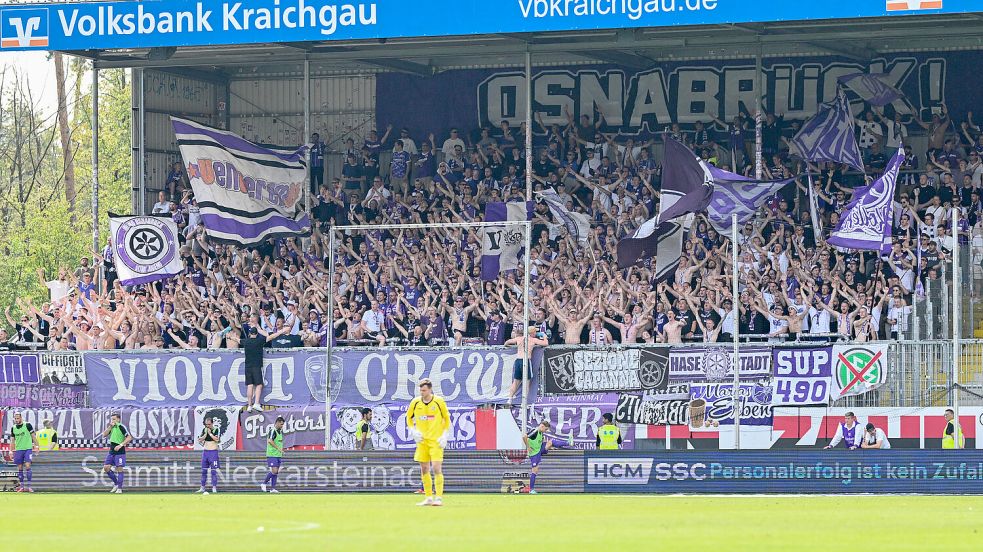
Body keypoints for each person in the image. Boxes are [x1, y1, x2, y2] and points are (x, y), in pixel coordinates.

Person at [407, 378, 450, 506]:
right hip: (422, 441)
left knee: (436, 468)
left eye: (424, 390)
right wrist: (413, 430)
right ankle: (428, 497)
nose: (422, 392)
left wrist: (445, 435)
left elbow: (446, 418)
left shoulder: (438, 401)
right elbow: (409, 418)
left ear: (430, 389)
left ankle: (439, 498)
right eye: (420, 390)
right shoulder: (415, 402)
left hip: (436, 440)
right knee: (424, 469)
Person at [503, 327, 549, 404]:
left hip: (518, 360)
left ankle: (510, 399)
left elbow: (507, 342)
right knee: (527, 382)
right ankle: (524, 402)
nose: (536, 334)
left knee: (516, 382)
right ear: (532, 333)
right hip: (526, 360)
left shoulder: (519, 338)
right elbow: (546, 343)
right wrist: (544, 336)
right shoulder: (533, 340)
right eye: (535, 332)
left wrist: (508, 346)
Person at [521, 420, 567, 495]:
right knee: (534, 471)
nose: (545, 431)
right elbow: (524, 436)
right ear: (542, 426)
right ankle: (531, 490)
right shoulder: (535, 431)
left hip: (539, 450)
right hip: (534, 453)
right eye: (545, 429)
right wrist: (528, 447)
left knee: (551, 442)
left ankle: (568, 442)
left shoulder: (540, 433)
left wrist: (549, 447)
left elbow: (540, 442)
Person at [102, 413, 132, 494]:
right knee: (106, 467)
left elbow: (129, 437)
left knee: (119, 469)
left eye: (114, 419)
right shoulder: (112, 427)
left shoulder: (121, 427)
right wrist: (110, 427)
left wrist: (121, 445)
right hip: (112, 450)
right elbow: (104, 435)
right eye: (112, 419)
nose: (113, 421)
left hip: (120, 451)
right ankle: (116, 483)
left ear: (118, 419)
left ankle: (119, 488)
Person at [8, 413, 38, 492]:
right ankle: (22, 487)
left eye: (18, 418)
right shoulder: (13, 428)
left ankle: (29, 486)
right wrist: (11, 451)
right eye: (15, 419)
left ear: (21, 418)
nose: (17, 420)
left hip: (28, 449)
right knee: (20, 468)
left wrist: (37, 446)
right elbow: (12, 440)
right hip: (18, 450)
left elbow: (33, 436)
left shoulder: (27, 425)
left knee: (28, 466)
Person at [196, 417, 221, 494]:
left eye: (209, 424)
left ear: (212, 423)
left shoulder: (216, 429)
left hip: (213, 452)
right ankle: (202, 487)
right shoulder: (205, 429)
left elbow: (217, 439)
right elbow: (201, 439)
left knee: (213, 471)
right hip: (205, 452)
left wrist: (210, 433)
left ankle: (214, 487)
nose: (207, 426)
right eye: (206, 424)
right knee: (204, 471)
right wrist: (204, 435)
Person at [262, 416, 285, 493]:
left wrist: (280, 451)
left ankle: (272, 489)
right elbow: (270, 441)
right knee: (274, 471)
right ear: (277, 423)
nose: (282, 426)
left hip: (278, 455)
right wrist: (278, 448)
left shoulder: (280, 432)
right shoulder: (273, 431)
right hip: (272, 454)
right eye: (281, 424)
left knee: (276, 472)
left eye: (283, 424)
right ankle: (264, 483)